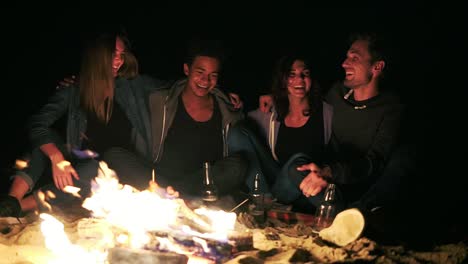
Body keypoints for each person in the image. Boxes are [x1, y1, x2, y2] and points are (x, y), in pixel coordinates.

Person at [0, 28, 171, 217]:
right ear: (97, 56)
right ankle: (10, 202)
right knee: (44, 141)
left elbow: (174, 87)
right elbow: (37, 123)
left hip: (120, 168)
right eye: (113, 55)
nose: (119, 61)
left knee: (94, 168)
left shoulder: (132, 86)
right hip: (81, 165)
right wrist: (57, 158)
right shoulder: (74, 90)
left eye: (122, 55)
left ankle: (20, 207)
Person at [258, 32, 409, 217]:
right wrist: (276, 97)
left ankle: (353, 214)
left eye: (354, 58)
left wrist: (330, 173)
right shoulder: (336, 94)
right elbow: (303, 93)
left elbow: (375, 162)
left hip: (353, 186)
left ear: (377, 67)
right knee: (297, 165)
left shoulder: (391, 108)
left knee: (405, 155)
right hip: (319, 185)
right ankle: (345, 216)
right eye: (346, 57)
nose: (345, 63)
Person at [96, 37, 248, 207]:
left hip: (201, 181)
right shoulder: (161, 99)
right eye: (200, 73)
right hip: (158, 176)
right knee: (114, 155)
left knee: (238, 166)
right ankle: (184, 198)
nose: (205, 81)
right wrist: (76, 82)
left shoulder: (226, 108)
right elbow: (120, 82)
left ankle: (174, 197)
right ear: (186, 69)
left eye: (212, 76)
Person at [231, 54, 332, 213]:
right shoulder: (272, 113)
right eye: (291, 75)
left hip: (308, 188)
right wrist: (231, 100)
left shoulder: (327, 113)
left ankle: (268, 205)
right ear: (283, 80)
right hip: (277, 183)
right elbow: (239, 117)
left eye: (304, 74)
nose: (299, 79)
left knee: (298, 162)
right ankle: (264, 200)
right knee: (237, 132)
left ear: (311, 78)